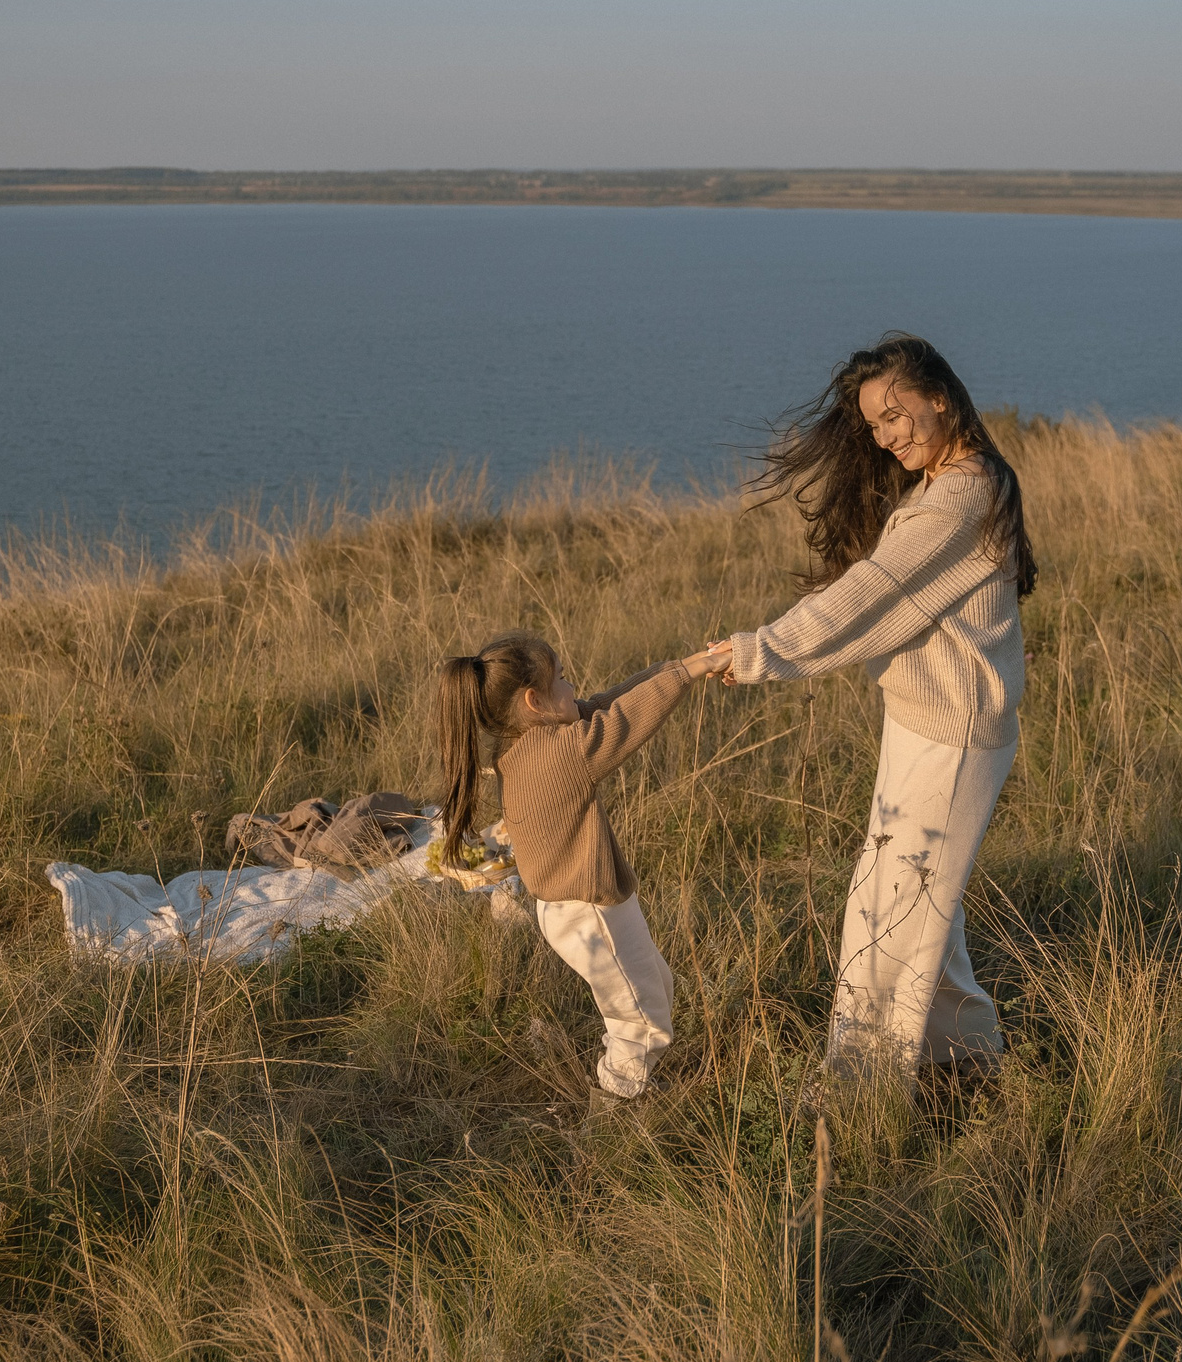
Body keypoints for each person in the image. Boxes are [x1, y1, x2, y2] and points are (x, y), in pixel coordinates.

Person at [710, 334, 1037, 1081]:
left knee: (886, 925)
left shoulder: (960, 495)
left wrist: (757, 650)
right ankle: (970, 1066)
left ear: (941, 399)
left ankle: (859, 1098)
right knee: (925, 915)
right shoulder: (946, 484)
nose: (888, 434)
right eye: (875, 424)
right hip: (924, 726)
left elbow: (873, 593)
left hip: (952, 741)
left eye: (897, 413)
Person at [436, 632, 728, 1099]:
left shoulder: (526, 747)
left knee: (653, 993)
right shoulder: (562, 753)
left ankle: (631, 1084)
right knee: (642, 1024)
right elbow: (625, 719)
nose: (574, 687)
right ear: (535, 702)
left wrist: (687, 664)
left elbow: (604, 705)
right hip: (589, 912)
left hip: (580, 906)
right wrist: (687, 673)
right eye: (563, 678)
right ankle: (613, 1120)